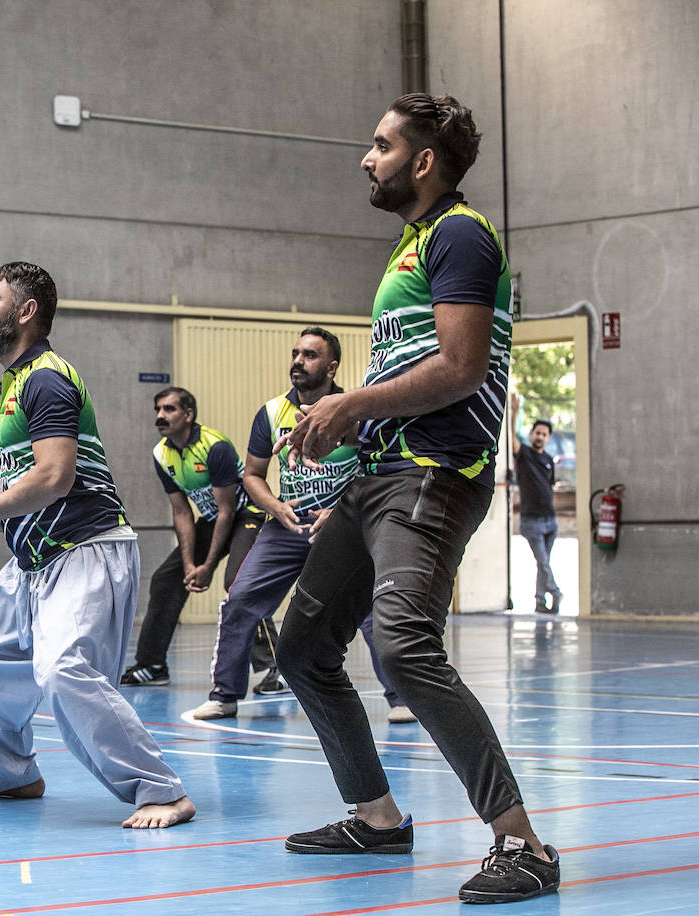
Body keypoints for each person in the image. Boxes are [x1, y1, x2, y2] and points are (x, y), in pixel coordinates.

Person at [273, 95, 559, 903]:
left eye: (380, 145)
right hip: (377, 478)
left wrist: (351, 403)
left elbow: (464, 369)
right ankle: (378, 820)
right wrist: (351, 432)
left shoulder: (461, 234)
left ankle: (523, 844)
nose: (367, 159)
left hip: (433, 474)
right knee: (300, 650)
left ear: (423, 160)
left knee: (401, 644)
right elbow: (414, 365)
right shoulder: (414, 245)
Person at [0, 261, 194, 829]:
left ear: (25, 312)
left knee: (65, 669)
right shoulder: (16, 384)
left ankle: (162, 790)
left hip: (85, 549)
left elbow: (56, 478)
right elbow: (35, 487)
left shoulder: (45, 377)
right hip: (34, 560)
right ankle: (12, 776)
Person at [185, 329, 413, 723]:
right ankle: (224, 695)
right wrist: (274, 506)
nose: (298, 360)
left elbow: (376, 469)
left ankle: (401, 698)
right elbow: (253, 475)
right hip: (287, 526)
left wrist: (342, 508)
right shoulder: (272, 412)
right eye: (295, 353)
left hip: (343, 525)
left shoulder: (353, 409)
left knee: (369, 610)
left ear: (331, 366)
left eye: (309, 354)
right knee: (238, 601)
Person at [120, 387, 275, 691]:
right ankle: (152, 665)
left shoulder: (214, 447)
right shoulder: (161, 454)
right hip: (213, 519)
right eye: (158, 409)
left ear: (188, 415)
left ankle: (274, 667)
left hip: (247, 516)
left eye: (169, 409)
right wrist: (191, 564)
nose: (160, 416)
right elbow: (181, 512)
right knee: (167, 578)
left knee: (238, 583)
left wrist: (208, 565)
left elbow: (227, 510)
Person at [510, 394, 561, 614]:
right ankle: (556, 591)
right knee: (543, 562)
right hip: (531, 521)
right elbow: (511, 437)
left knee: (544, 564)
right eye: (537, 432)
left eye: (544, 434)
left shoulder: (549, 460)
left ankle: (540, 601)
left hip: (550, 520)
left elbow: (549, 486)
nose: (539, 436)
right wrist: (514, 412)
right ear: (531, 434)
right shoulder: (524, 455)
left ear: (548, 437)